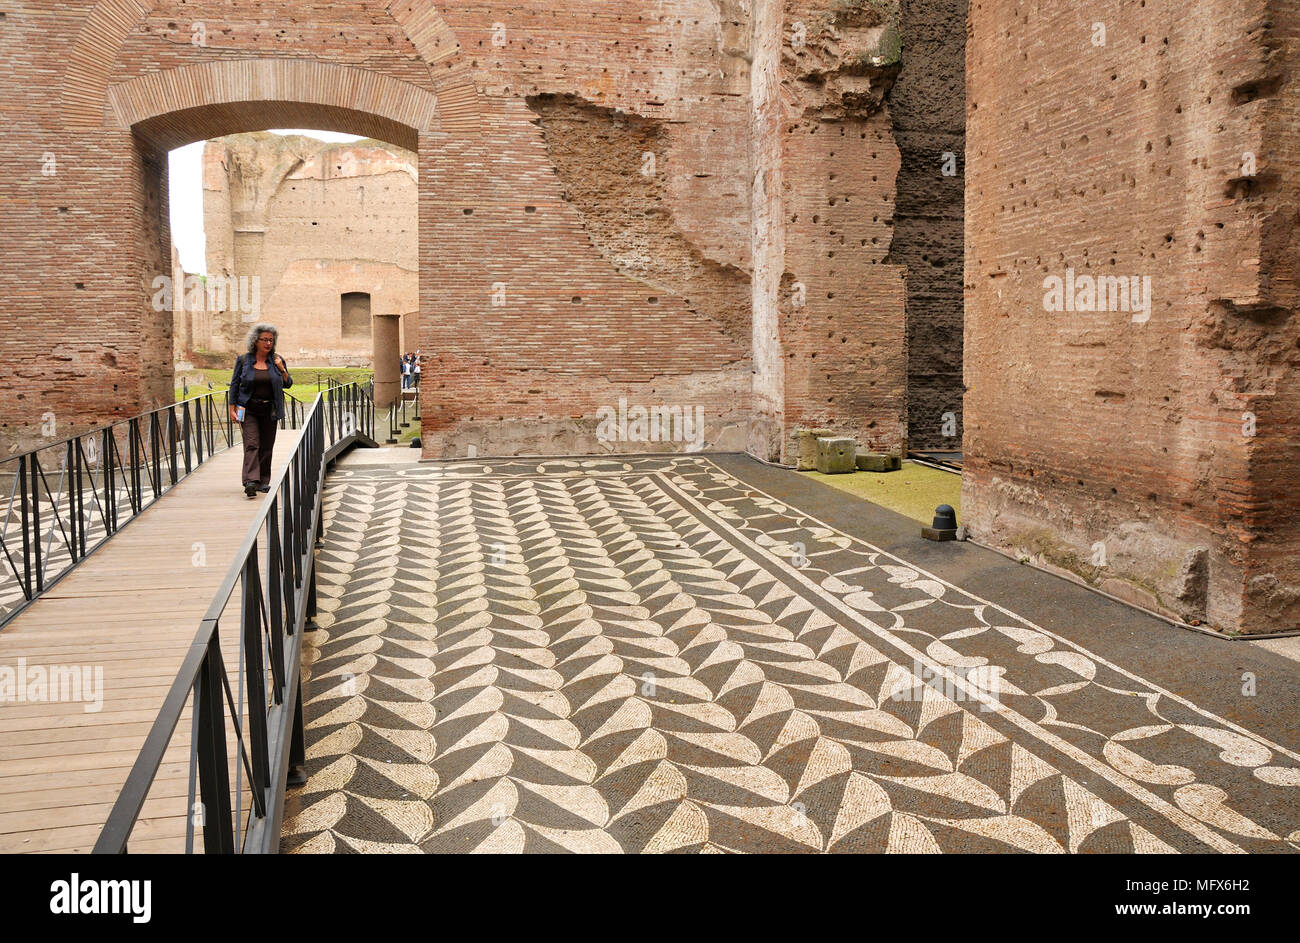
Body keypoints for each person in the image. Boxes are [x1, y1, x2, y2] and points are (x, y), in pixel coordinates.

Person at [228, 323, 293, 497]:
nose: (268, 343)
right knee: (252, 444)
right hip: (248, 409)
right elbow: (235, 385)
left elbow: (288, 383)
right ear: (255, 341)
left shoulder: (277, 360)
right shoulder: (244, 360)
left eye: (271, 340)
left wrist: (282, 369)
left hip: (269, 409)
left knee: (266, 446)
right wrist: (231, 408)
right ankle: (250, 481)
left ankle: (263, 481)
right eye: (264, 339)